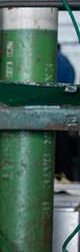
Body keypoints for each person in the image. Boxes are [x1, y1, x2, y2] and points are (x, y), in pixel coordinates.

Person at [56, 44, 77, 178]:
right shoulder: (66, 61)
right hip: (64, 109)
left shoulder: (54, 60)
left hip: (52, 109)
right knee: (64, 149)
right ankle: (65, 176)